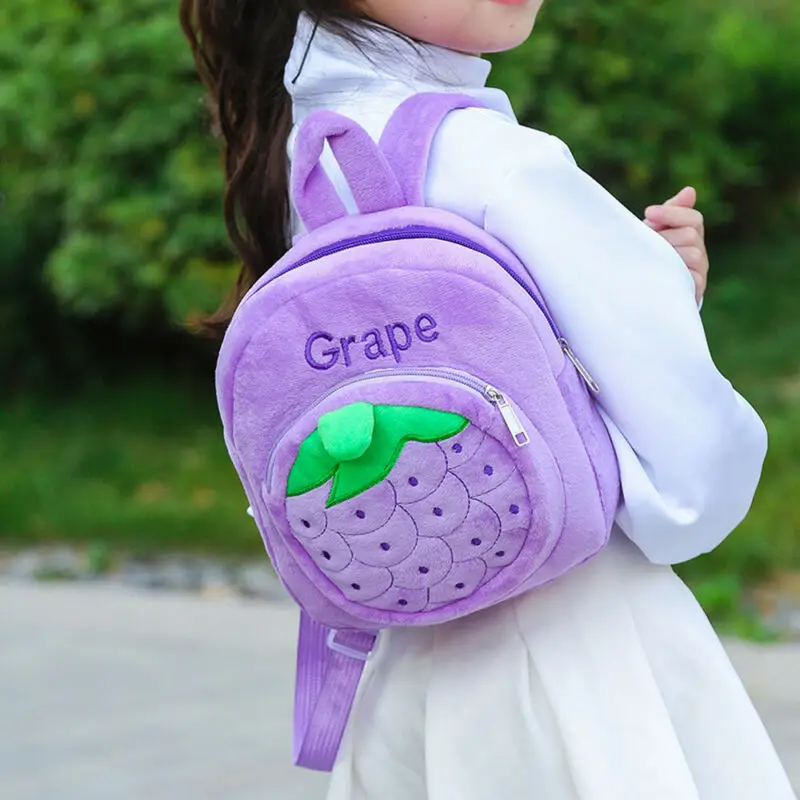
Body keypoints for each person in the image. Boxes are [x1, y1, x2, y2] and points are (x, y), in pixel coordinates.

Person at [181, 2, 796, 798]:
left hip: (412, 658)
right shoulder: (496, 163)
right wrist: (663, 302)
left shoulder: (309, 150)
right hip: (580, 651)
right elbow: (686, 472)